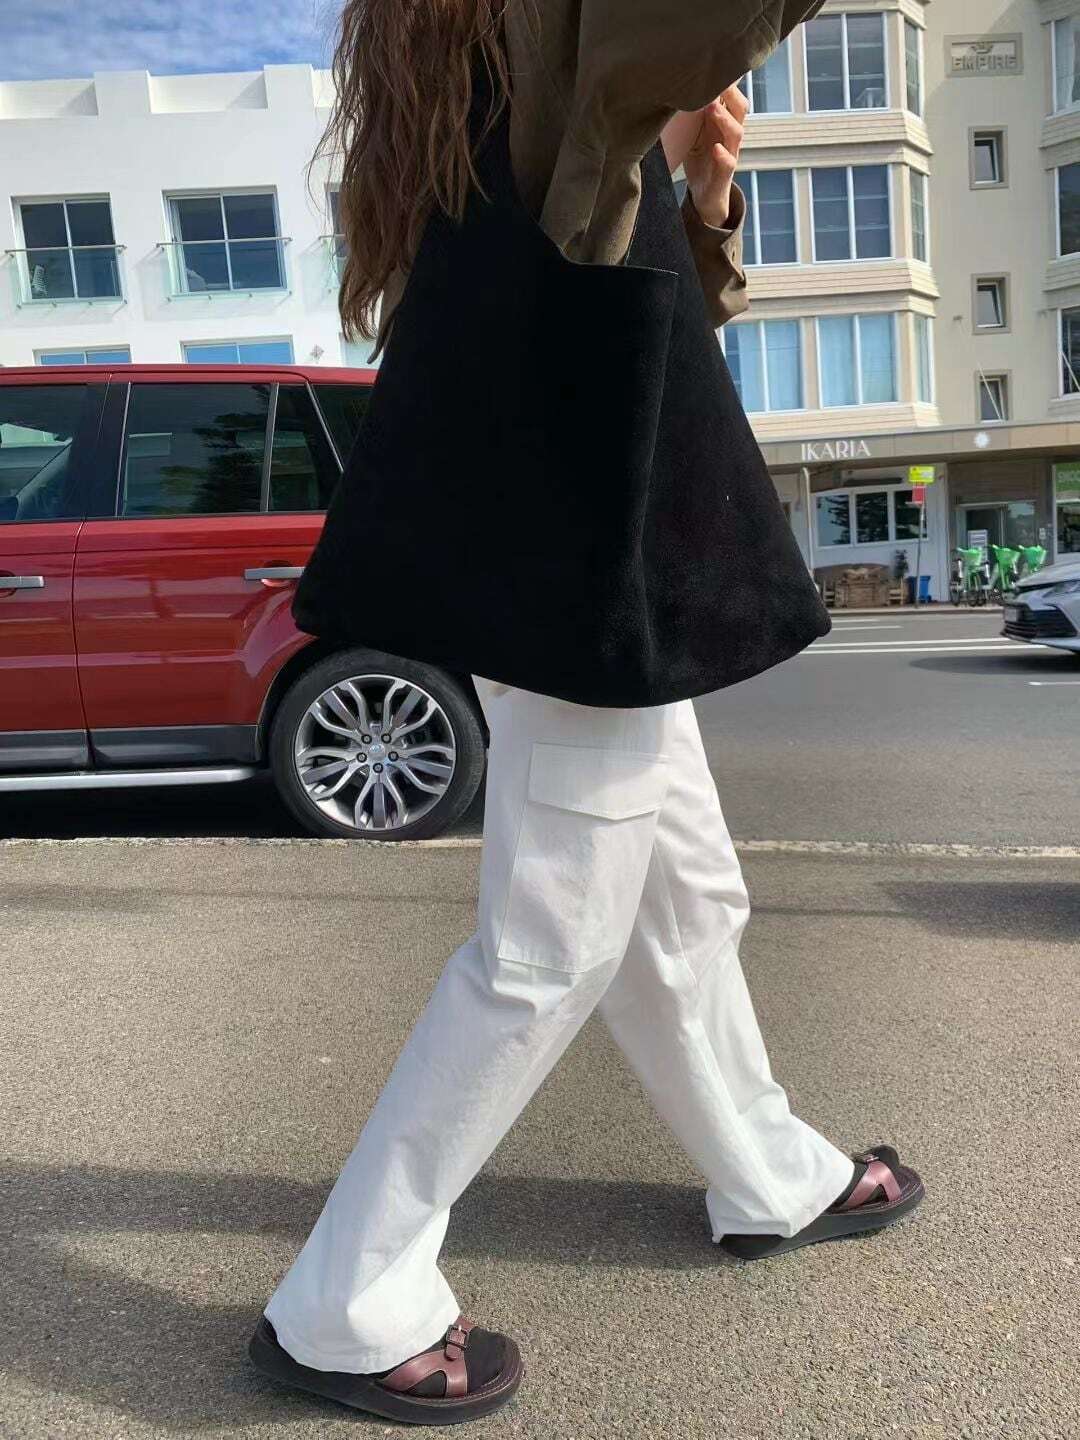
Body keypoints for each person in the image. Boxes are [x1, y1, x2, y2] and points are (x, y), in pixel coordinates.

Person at [249, 0, 924, 1424]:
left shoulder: (507, 97)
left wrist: (698, 187)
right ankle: (343, 1301)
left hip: (589, 584)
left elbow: (642, 324)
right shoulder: (544, 49)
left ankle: (767, 1174)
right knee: (548, 945)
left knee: (687, 898)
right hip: (582, 592)